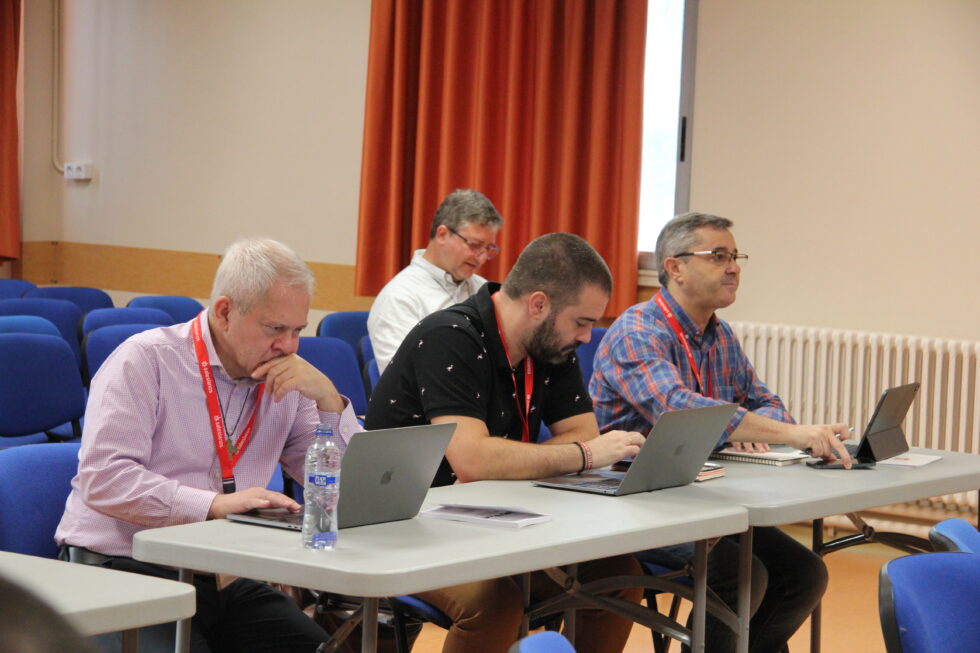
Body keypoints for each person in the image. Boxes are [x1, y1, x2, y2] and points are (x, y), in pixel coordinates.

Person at [56, 238, 363, 653]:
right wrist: (212, 505)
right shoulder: (145, 360)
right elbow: (105, 478)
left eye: (298, 331)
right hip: (121, 571)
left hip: (222, 576)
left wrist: (329, 401)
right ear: (224, 312)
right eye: (275, 329)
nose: (289, 346)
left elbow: (344, 486)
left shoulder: (287, 378)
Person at [366, 233, 645, 653]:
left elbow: (583, 431)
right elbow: (473, 460)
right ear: (539, 305)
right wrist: (581, 456)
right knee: (494, 604)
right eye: (582, 322)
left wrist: (516, 460)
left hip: (498, 517)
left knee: (618, 578)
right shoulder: (450, 336)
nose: (587, 337)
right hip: (406, 523)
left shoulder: (550, 344)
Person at [590, 212, 851, 652]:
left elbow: (767, 403)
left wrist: (757, 427)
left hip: (703, 495)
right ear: (675, 267)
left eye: (734, 257)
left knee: (804, 573)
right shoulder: (637, 332)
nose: (733, 268)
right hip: (637, 500)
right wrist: (777, 432)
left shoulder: (719, 334)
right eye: (718, 256)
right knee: (740, 574)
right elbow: (680, 409)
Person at [367, 188, 504, 373]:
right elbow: (405, 377)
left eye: (488, 249)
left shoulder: (483, 289)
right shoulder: (398, 297)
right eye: (475, 245)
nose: (482, 258)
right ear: (442, 234)